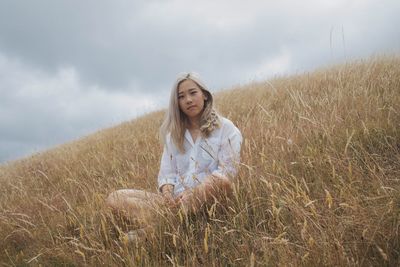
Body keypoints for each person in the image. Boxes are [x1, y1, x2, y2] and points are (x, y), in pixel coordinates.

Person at [106, 72, 242, 243]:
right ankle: (173, 224)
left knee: (219, 181)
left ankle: (159, 230)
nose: (188, 100)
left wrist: (193, 194)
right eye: (181, 96)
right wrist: (169, 195)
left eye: (193, 93)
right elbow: (166, 175)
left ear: (205, 95)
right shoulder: (174, 136)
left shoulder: (225, 128)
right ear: (177, 103)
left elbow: (227, 172)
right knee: (115, 198)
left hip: (211, 200)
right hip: (176, 203)